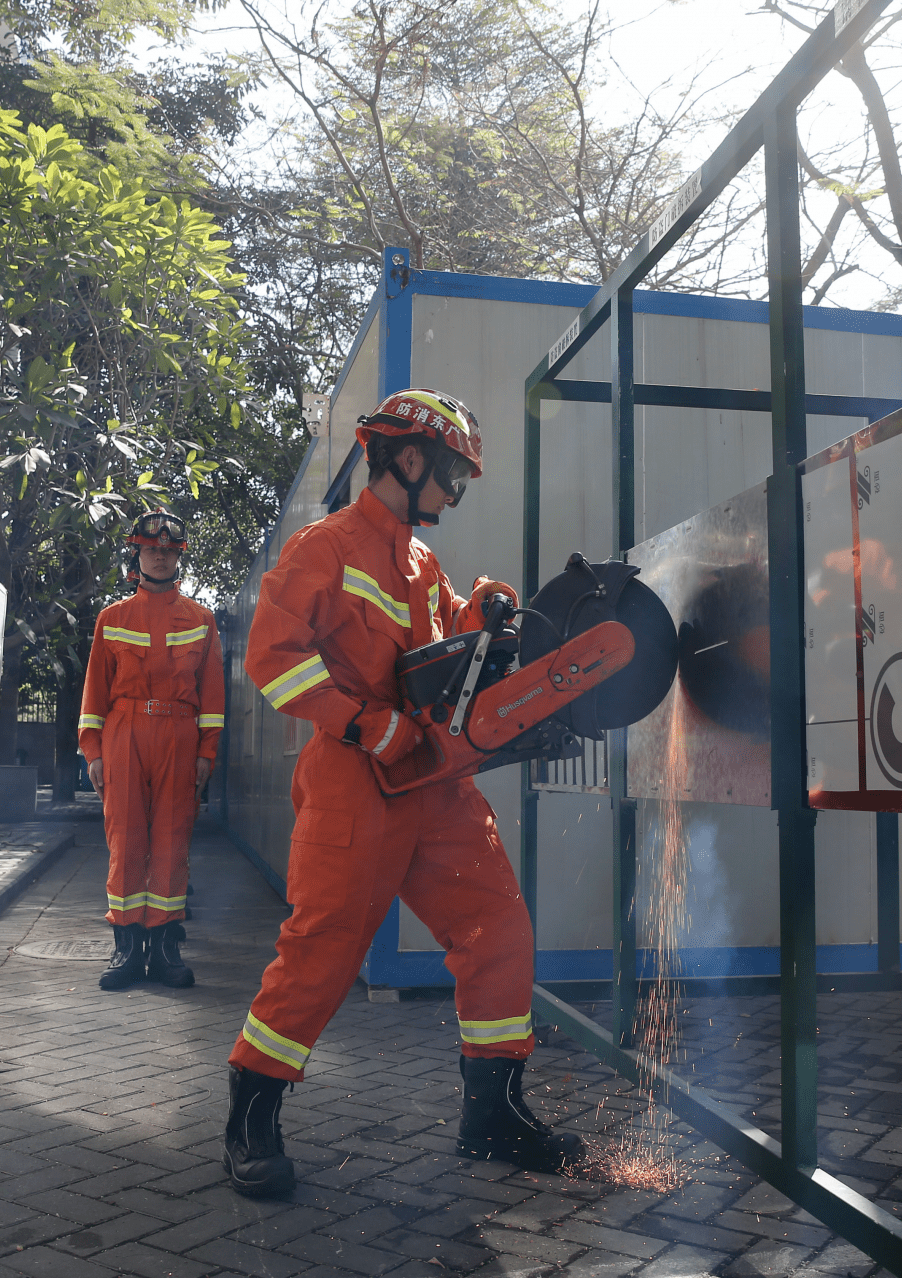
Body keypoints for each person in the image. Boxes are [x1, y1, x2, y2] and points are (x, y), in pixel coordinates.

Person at [222, 388, 584, 1199]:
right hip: (356, 779)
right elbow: (273, 656)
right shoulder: (327, 548)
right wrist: (358, 723)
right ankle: (251, 1116)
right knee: (321, 948)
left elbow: (439, 640)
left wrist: (479, 608)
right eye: (453, 473)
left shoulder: (420, 559)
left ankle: (491, 1115)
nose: (457, 492)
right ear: (410, 459)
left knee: (498, 927)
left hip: (434, 778)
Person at [79, 510, 225, 991]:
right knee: (126, 839)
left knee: (170, 840)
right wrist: (93, 751)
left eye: (167, 550)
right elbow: (94, 696)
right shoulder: (112, 619)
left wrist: (207, 754)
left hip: (180, 736)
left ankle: (164, 948)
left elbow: (213, 697)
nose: (159, 556)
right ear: (137, 554)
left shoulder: (202, 621)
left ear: (177, 556)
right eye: (150, 549)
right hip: (124, 732)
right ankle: (127, 949)